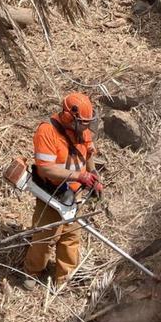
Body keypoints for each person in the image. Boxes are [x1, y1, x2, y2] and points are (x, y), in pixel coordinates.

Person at [23, 92, 103, 289]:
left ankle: (64, 277)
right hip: (52, 192)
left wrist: (93, 174)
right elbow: (46, 168)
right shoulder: (47, 132)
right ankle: (32, 272)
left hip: (75, 193)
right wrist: (79, 176)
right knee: (45, 235)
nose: (86, 127)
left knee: (71, 235)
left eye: (88, 123)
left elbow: (89, 152)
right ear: (69, 117)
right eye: (83, 123)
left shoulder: (82, 129)